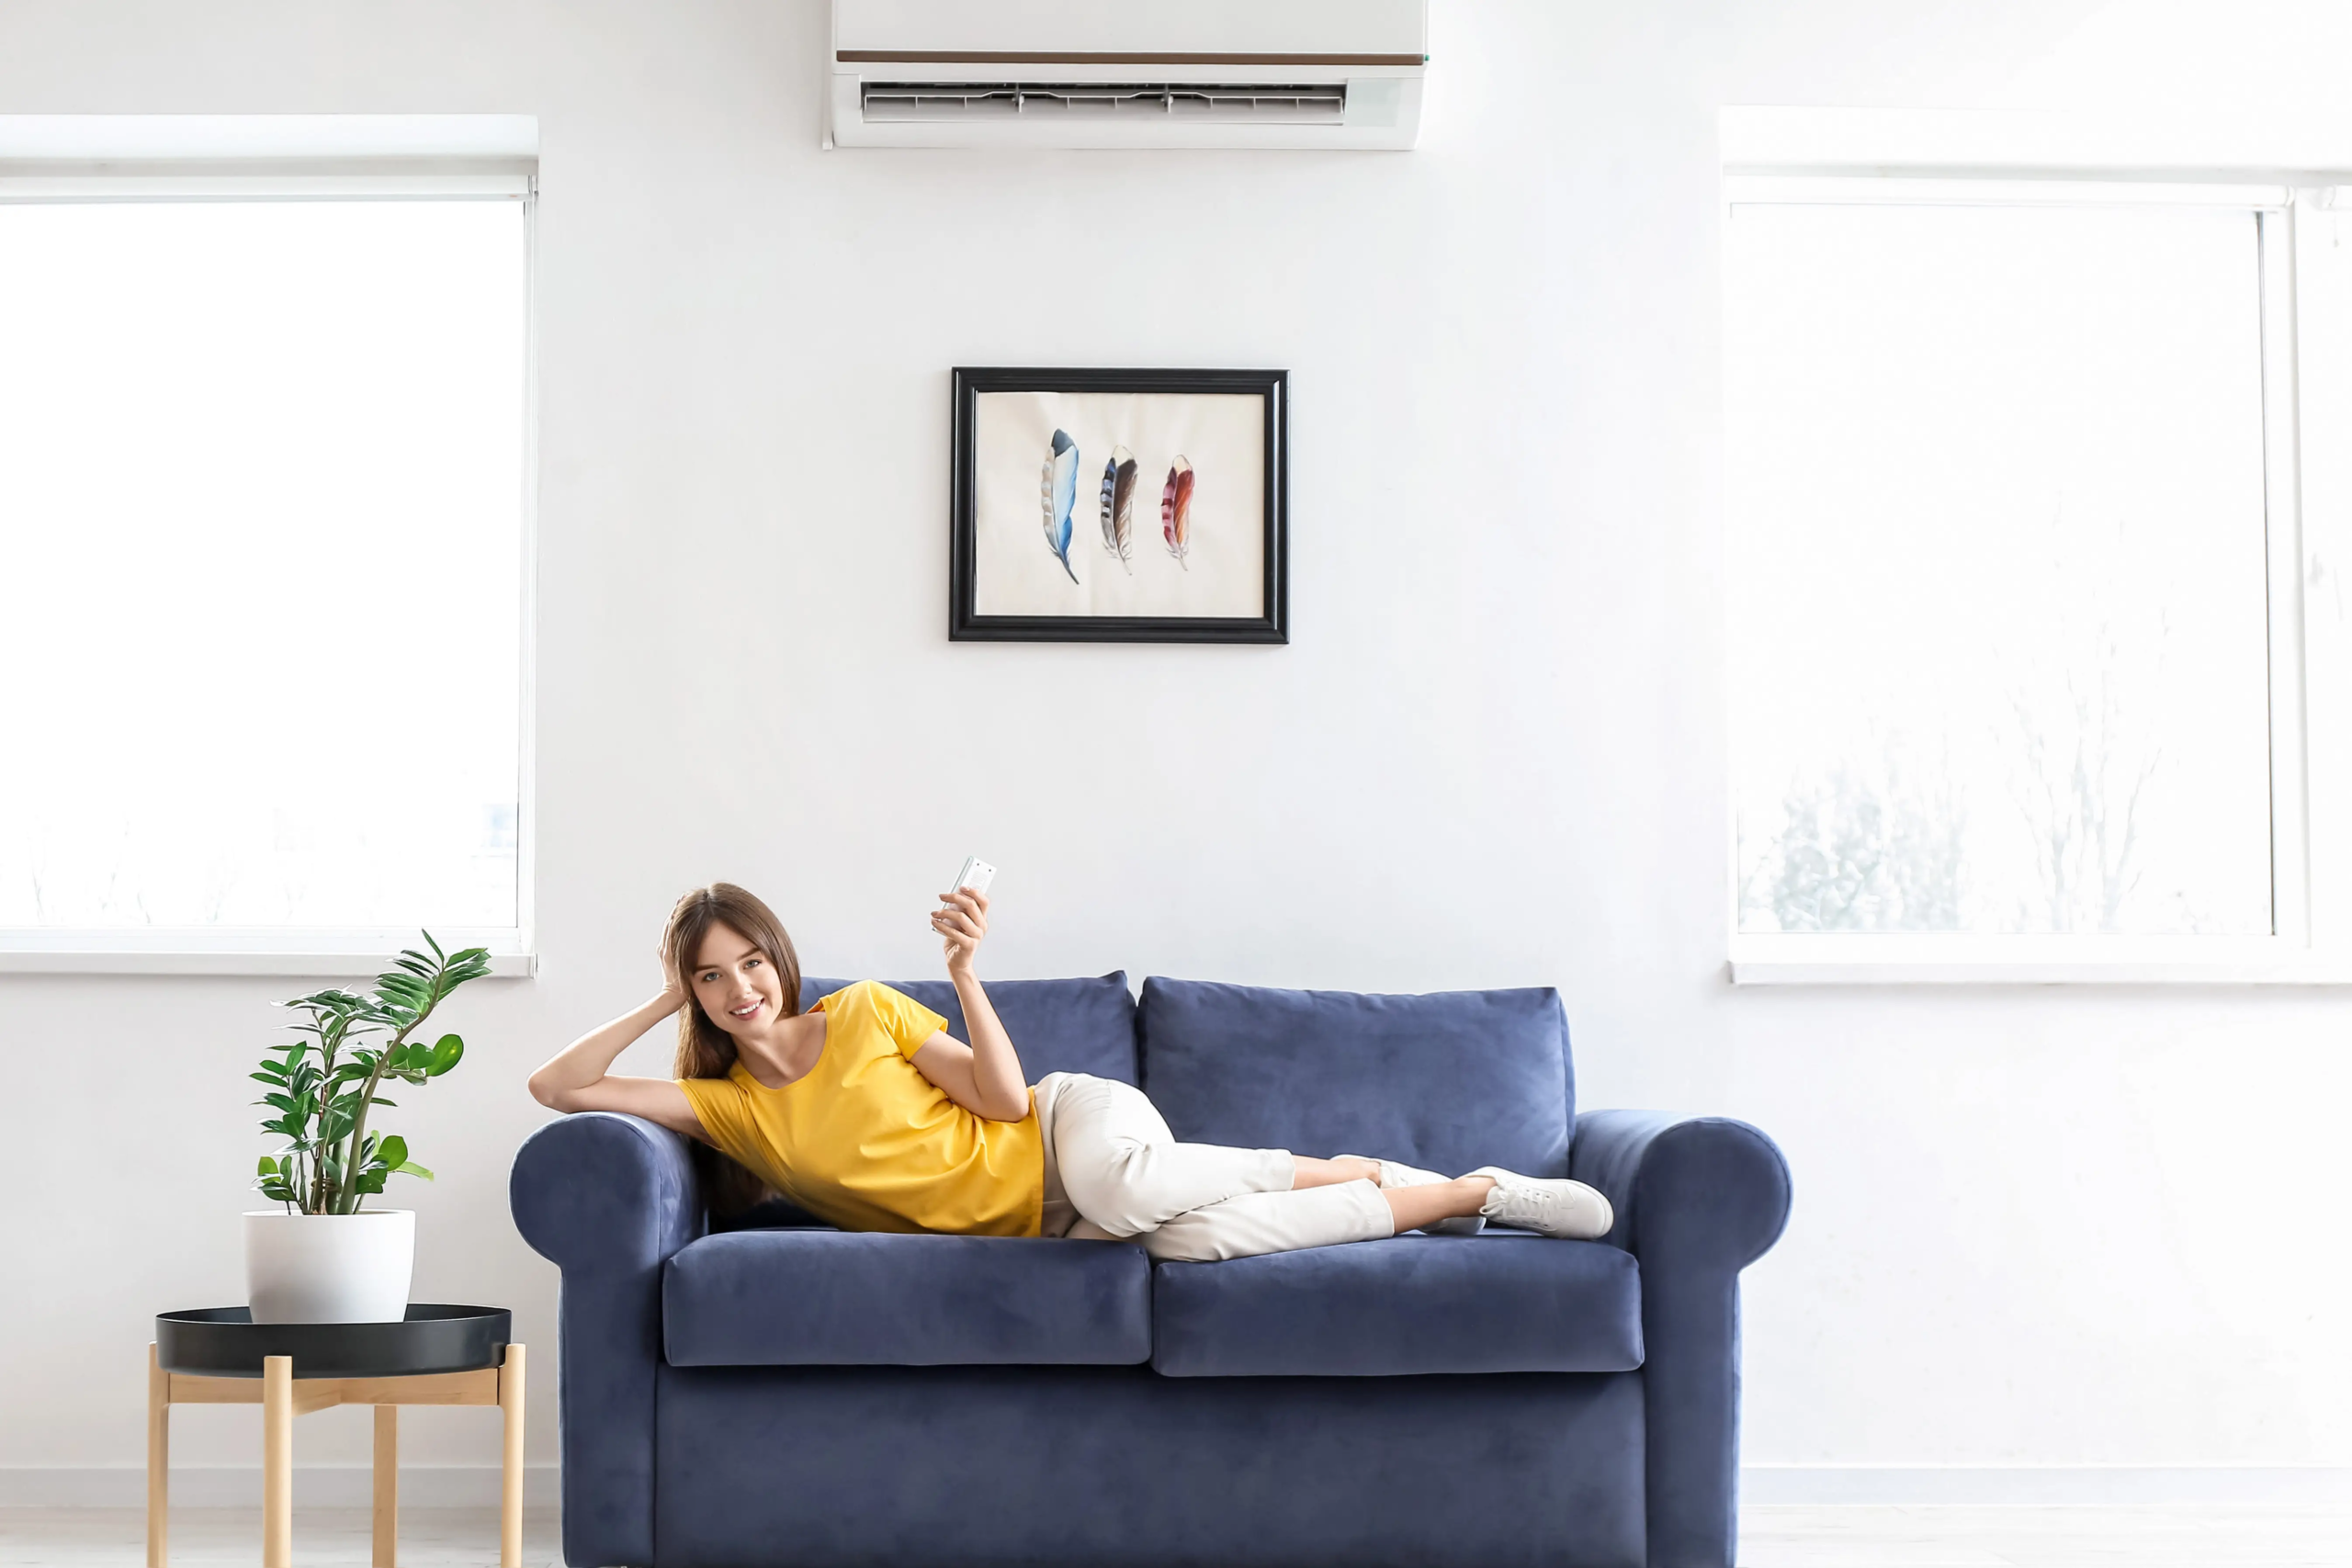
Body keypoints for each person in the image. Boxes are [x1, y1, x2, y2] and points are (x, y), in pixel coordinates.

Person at [527, 882, 1612, 1262]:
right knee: (1195, 1242)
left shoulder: (860, 1013)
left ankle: (1333, 1166)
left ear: (780, 959)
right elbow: (560, 1086)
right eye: (714, 978)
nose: (739, 988)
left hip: (1070, 1129)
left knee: (1130, 1185)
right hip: (1057, 1223)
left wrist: (964, 973)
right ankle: (1463, 1191)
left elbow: (1003, 1099)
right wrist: (665, 992)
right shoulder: (729, 1109)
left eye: (749, 961)